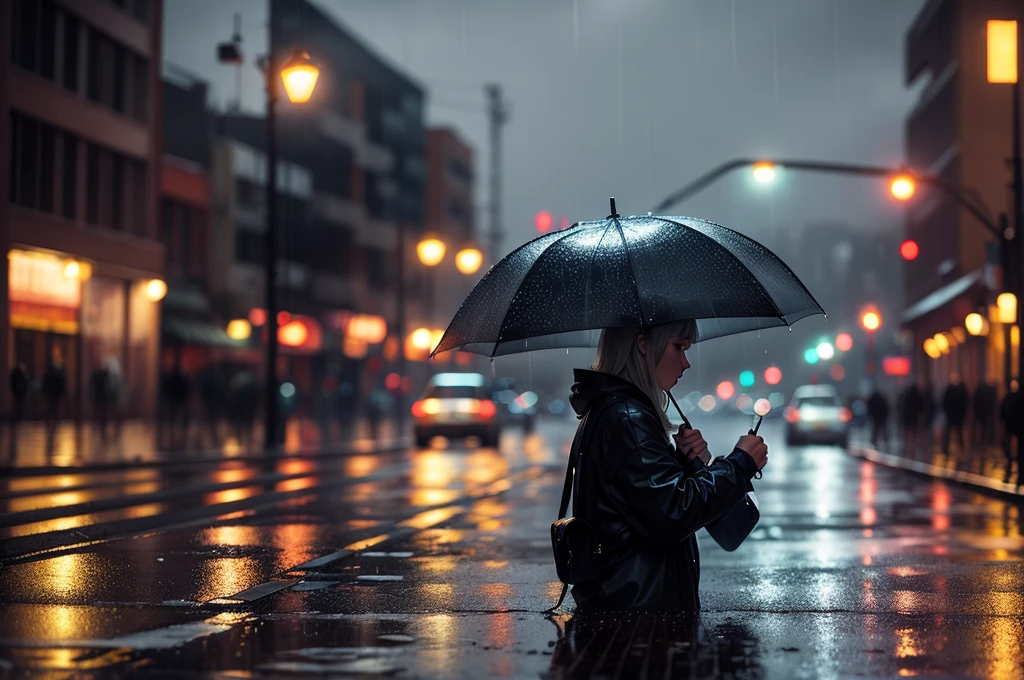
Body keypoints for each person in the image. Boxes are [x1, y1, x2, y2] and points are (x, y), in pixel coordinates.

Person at [566, 320, 768, 613]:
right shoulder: (628, 417)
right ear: (643, 344)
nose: (686, 363)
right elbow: (674, 513)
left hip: (629, 604)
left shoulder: (615, 410)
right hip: (638, 619)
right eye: (678, 347)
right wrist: (739, 463)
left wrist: (685, 465)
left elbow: (647, 501)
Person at [941, 373, 969, 461]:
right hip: (955, 416)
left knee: (955, 433)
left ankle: (953, 449)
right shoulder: (959, 390)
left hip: (954, 416)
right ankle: (950, 449)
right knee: (955, 433)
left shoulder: (955, 390)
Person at [898, 381, 923, 458]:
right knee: (913, 434)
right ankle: (913, 447)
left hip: (908, 419)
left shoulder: (905, 397)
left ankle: (908, 447)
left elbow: (901, 408)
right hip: (913, 419)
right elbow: (920, 408)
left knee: (908, 434)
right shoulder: (917, 396)